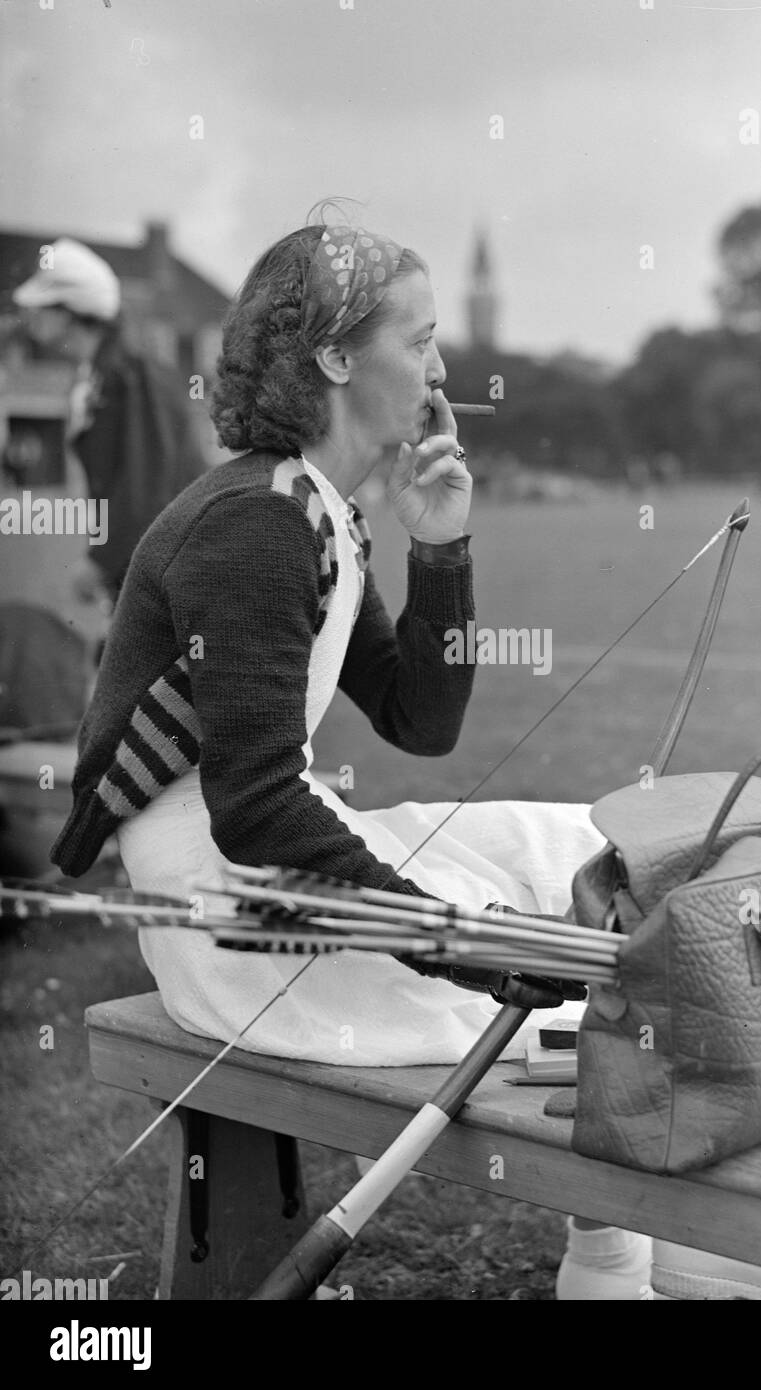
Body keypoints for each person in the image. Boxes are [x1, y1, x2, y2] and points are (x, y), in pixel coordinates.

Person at [49, 209, 660, 1298]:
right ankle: (616, 1258)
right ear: (335, 357)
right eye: (418, 339)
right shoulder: (253, 525)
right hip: (232, 914)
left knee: (580, 847)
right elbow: (253, 807)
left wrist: (441, 548)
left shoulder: (312, 508)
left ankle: (641, 1245)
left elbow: (421, 719)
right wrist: (454, 940)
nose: (440, 367)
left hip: (269, 862)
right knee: (573, 978)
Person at [12, 236, 206, 604]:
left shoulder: (132, 376)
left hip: (173, 577)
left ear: (70, 313)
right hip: (146, 573)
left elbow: (147, 487)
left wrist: (99, 565)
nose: (31, 316)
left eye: (44, 306)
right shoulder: (103, 374)